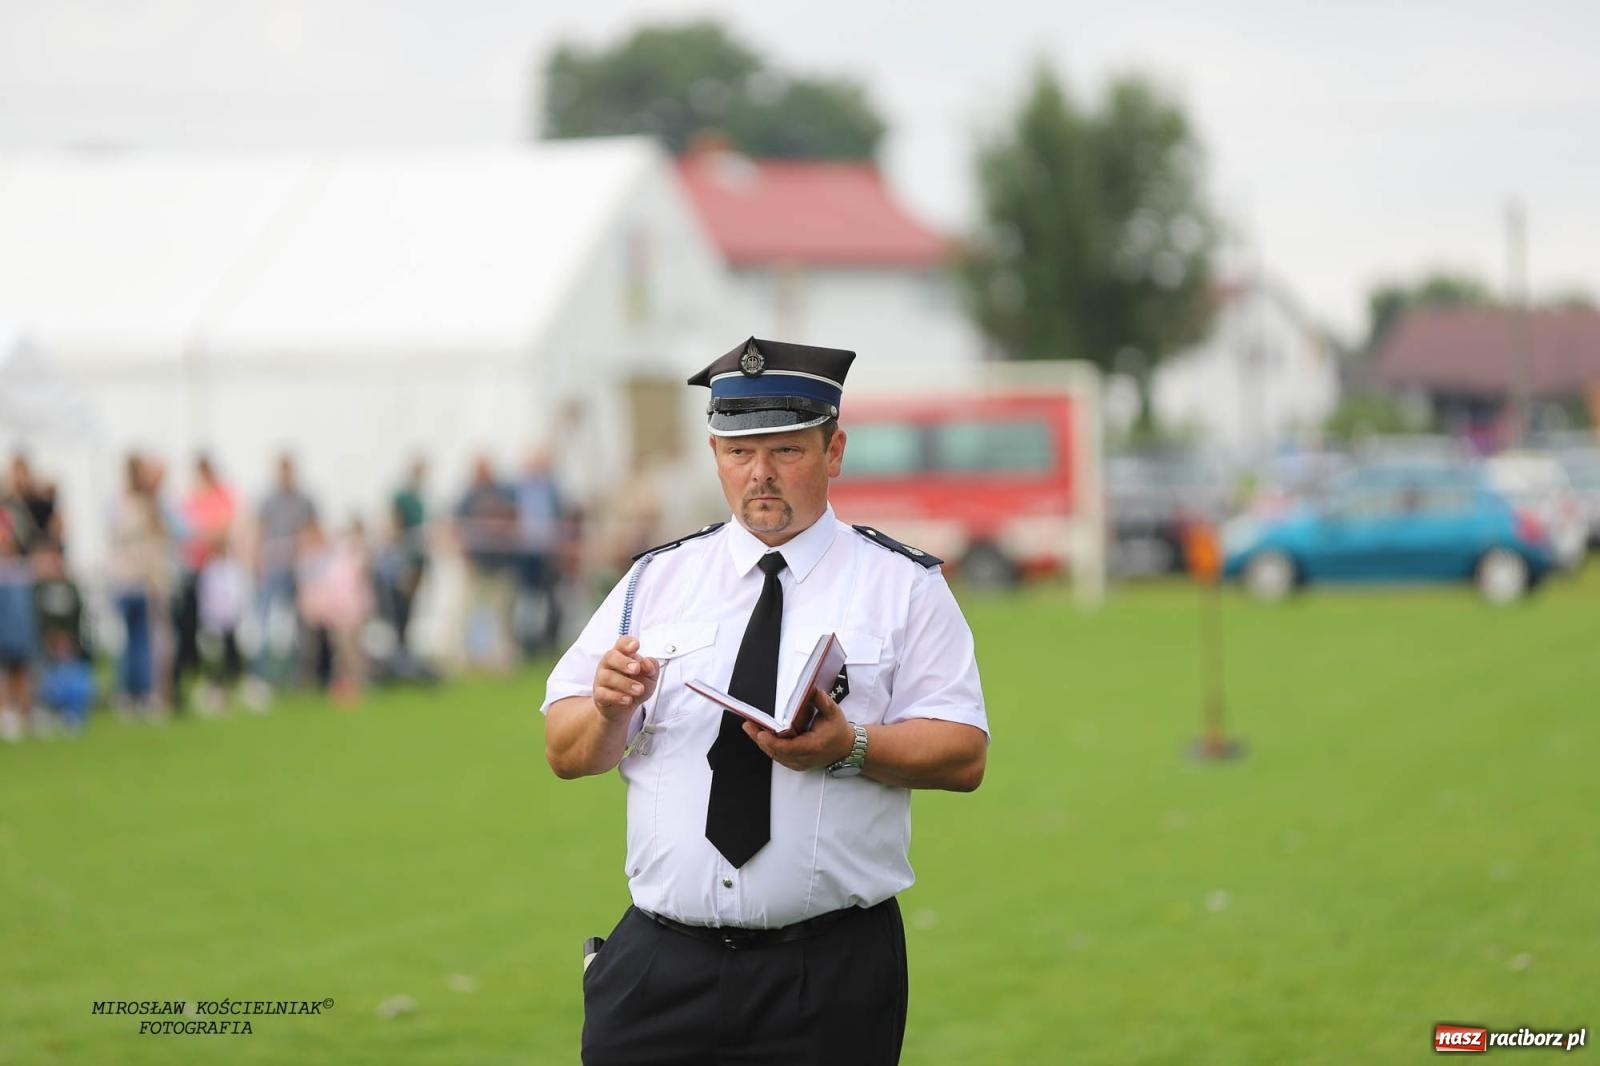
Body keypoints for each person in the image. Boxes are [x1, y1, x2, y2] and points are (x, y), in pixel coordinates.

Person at [542, 337, 989, 1066]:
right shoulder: (655, 581)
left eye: (786, 451)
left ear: (833, 450)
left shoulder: (902, 586)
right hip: (660, 968)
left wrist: (852, 747)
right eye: (738, 453)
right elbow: (566, 753)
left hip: (827, 976)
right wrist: (606, 709)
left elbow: (964, 752)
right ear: (714, 453)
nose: (760, 476)